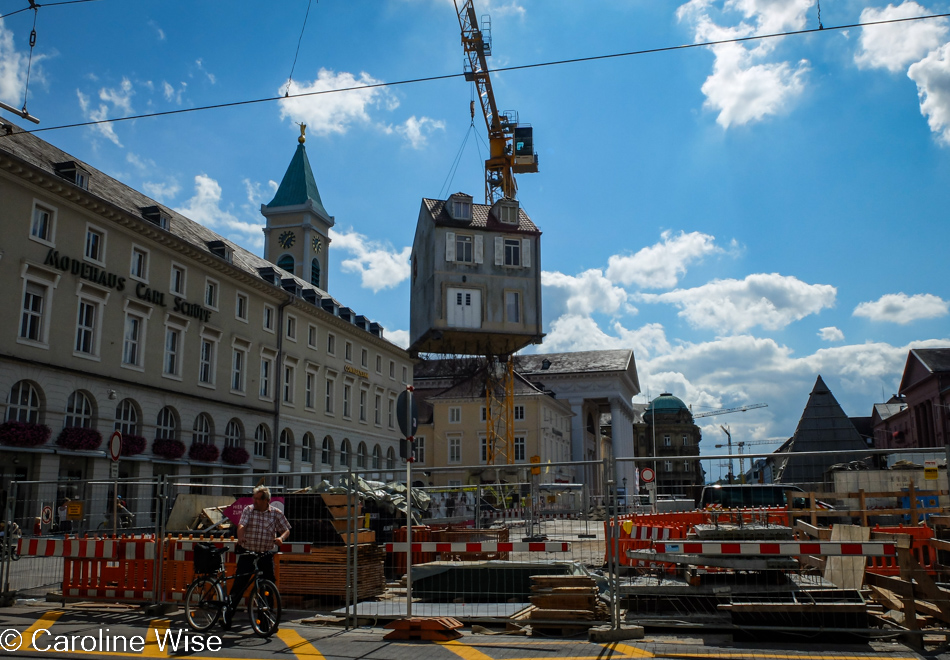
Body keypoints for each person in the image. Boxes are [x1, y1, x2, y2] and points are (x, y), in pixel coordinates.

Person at [225, 486, 290, 623]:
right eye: (254, 498)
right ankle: (227, 615)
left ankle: (266, 620)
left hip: (265, 554)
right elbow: (241, 525)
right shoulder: (249, 510)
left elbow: (286, 529)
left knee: (268, 585)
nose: (255, 501)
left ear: (267, 500)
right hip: (248, 553)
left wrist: (281, 538)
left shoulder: (275, 513)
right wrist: (241, 537)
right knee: (239, 585)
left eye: (258, 499)